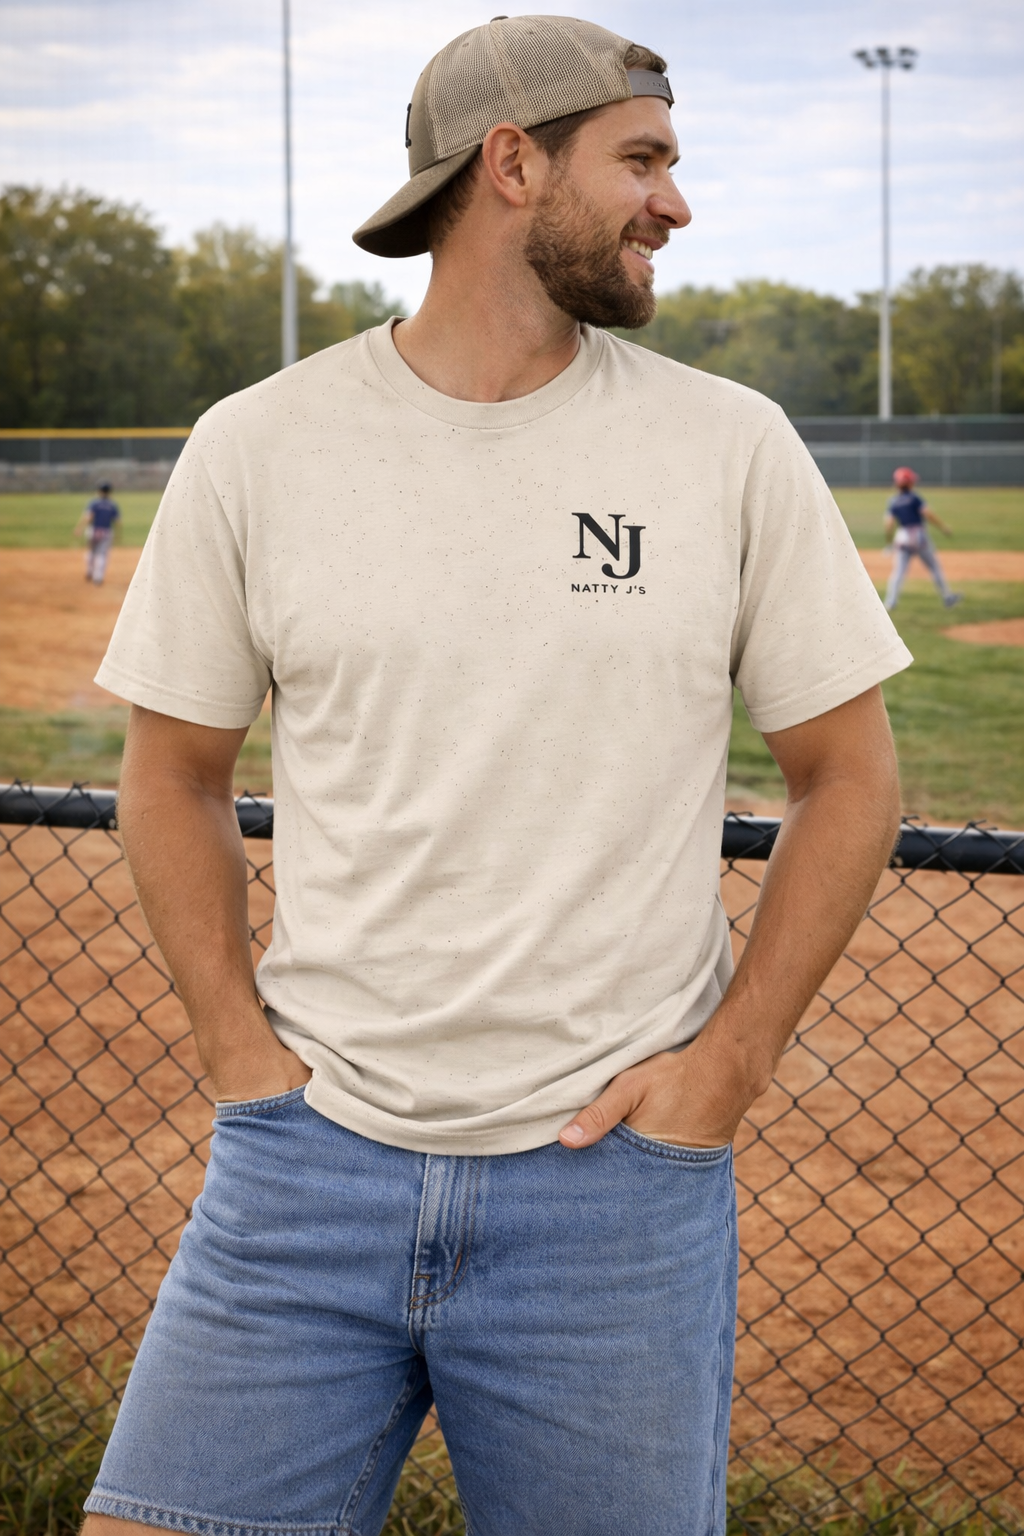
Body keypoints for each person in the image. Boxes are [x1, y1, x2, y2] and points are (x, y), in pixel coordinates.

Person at [82, 18, 912, 1536]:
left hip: (613, 1197)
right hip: (303, 1170)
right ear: (513, 164)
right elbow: (173, 771)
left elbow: (848, 777)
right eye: (644, 159)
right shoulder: (258, 446)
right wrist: (239, 1066)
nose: (674, 202)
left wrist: (723, 1077)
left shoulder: (730, 448)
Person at [884, 466, 961, 612]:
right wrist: (943, 528)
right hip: (918, 537)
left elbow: (888, 524)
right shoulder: (914, 498)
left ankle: (890, 602)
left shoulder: (893, 501)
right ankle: (947, 596)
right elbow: (928, 514)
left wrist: (889, 542)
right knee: (934, 568)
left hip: (902, 538)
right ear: (910, 482)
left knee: (898, 572)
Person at [76, 480, 121, 585]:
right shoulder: (112, 505)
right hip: (106, 532)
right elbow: (118, 521)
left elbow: (89, 517)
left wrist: (79, 528)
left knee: (91, 551)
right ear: (110, 491)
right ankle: (98, 577)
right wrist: (118, 535)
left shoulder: (94, 503)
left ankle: (89, 571)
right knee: (102, 554)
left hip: (93, 530)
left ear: (99, 491)